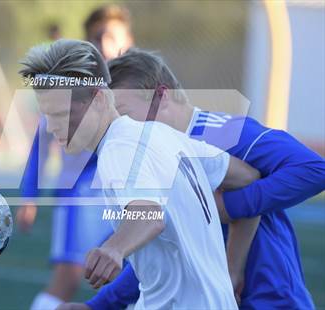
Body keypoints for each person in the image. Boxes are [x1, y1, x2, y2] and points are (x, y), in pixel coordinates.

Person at [61, 49, 325, 309]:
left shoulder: (226, 132)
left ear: (162, 96)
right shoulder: (152, 156)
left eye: (123, 112)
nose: (117, 124)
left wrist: (228, 206)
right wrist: (98, 305)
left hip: (272, 298)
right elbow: (167, 256)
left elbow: (314, 169)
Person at [19, 39, 262, 309]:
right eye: (48, 116)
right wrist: (231, 267)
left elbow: (148, 215)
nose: (52, 127)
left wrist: (114, 248)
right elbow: (247, 178)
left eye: (62, 114)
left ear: (99, 99)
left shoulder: (118, 149)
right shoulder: (165, 135)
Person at [19, 5, 134, 309]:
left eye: (115, 38)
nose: (109, 46)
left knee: (143, 277)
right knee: (68, 279)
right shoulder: (70, 89)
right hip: (81, 196)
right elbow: (42, 142)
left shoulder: (140, 84)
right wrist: (30, 195)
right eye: (100, 39)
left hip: (128, 198)